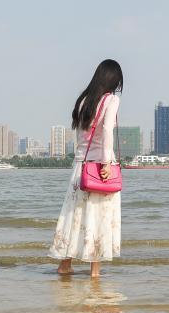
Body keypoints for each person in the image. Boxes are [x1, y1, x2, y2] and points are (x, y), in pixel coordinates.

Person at [50, 59, 123, 278]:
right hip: (100, 168)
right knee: (98, 218)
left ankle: (65, 264)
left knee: (75, 217)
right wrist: (107, 163)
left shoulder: (83, 101)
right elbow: (108, 130)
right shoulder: (111, 100)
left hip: (80, 169)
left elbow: (81, 135)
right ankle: (95, 271)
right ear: (114, 80)